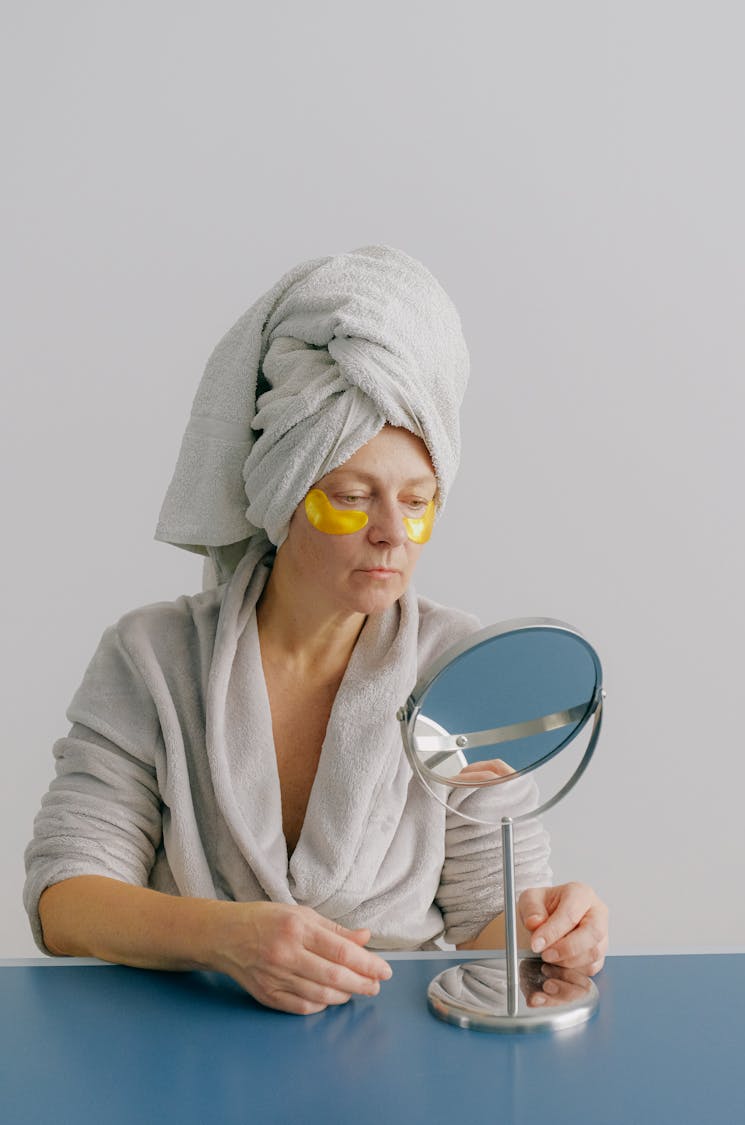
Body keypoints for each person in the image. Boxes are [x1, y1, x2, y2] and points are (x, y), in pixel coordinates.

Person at [24, 245, 608, 1015]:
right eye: (351, 496)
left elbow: (486, 919)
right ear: (284, 498)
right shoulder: (152, 659)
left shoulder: (463, 665)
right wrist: (224, 937)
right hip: (184, 1040)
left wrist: (553, 926)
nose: (391, 533)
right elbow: (66, 898)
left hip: (394, 1055)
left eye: (417, 499)